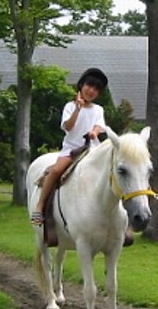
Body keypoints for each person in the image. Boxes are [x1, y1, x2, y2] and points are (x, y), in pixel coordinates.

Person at [31, 68, 108, 225]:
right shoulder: (70, 106)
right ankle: (40, 205)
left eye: (96, 89)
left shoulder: (98, 109)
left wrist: (94, 132)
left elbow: (99, 125)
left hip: (92, 149)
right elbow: (68, 126)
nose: (91, 91)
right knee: (56, 171)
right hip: (72, 149)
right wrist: (77, 110)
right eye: (89, 86)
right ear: (81, 85)